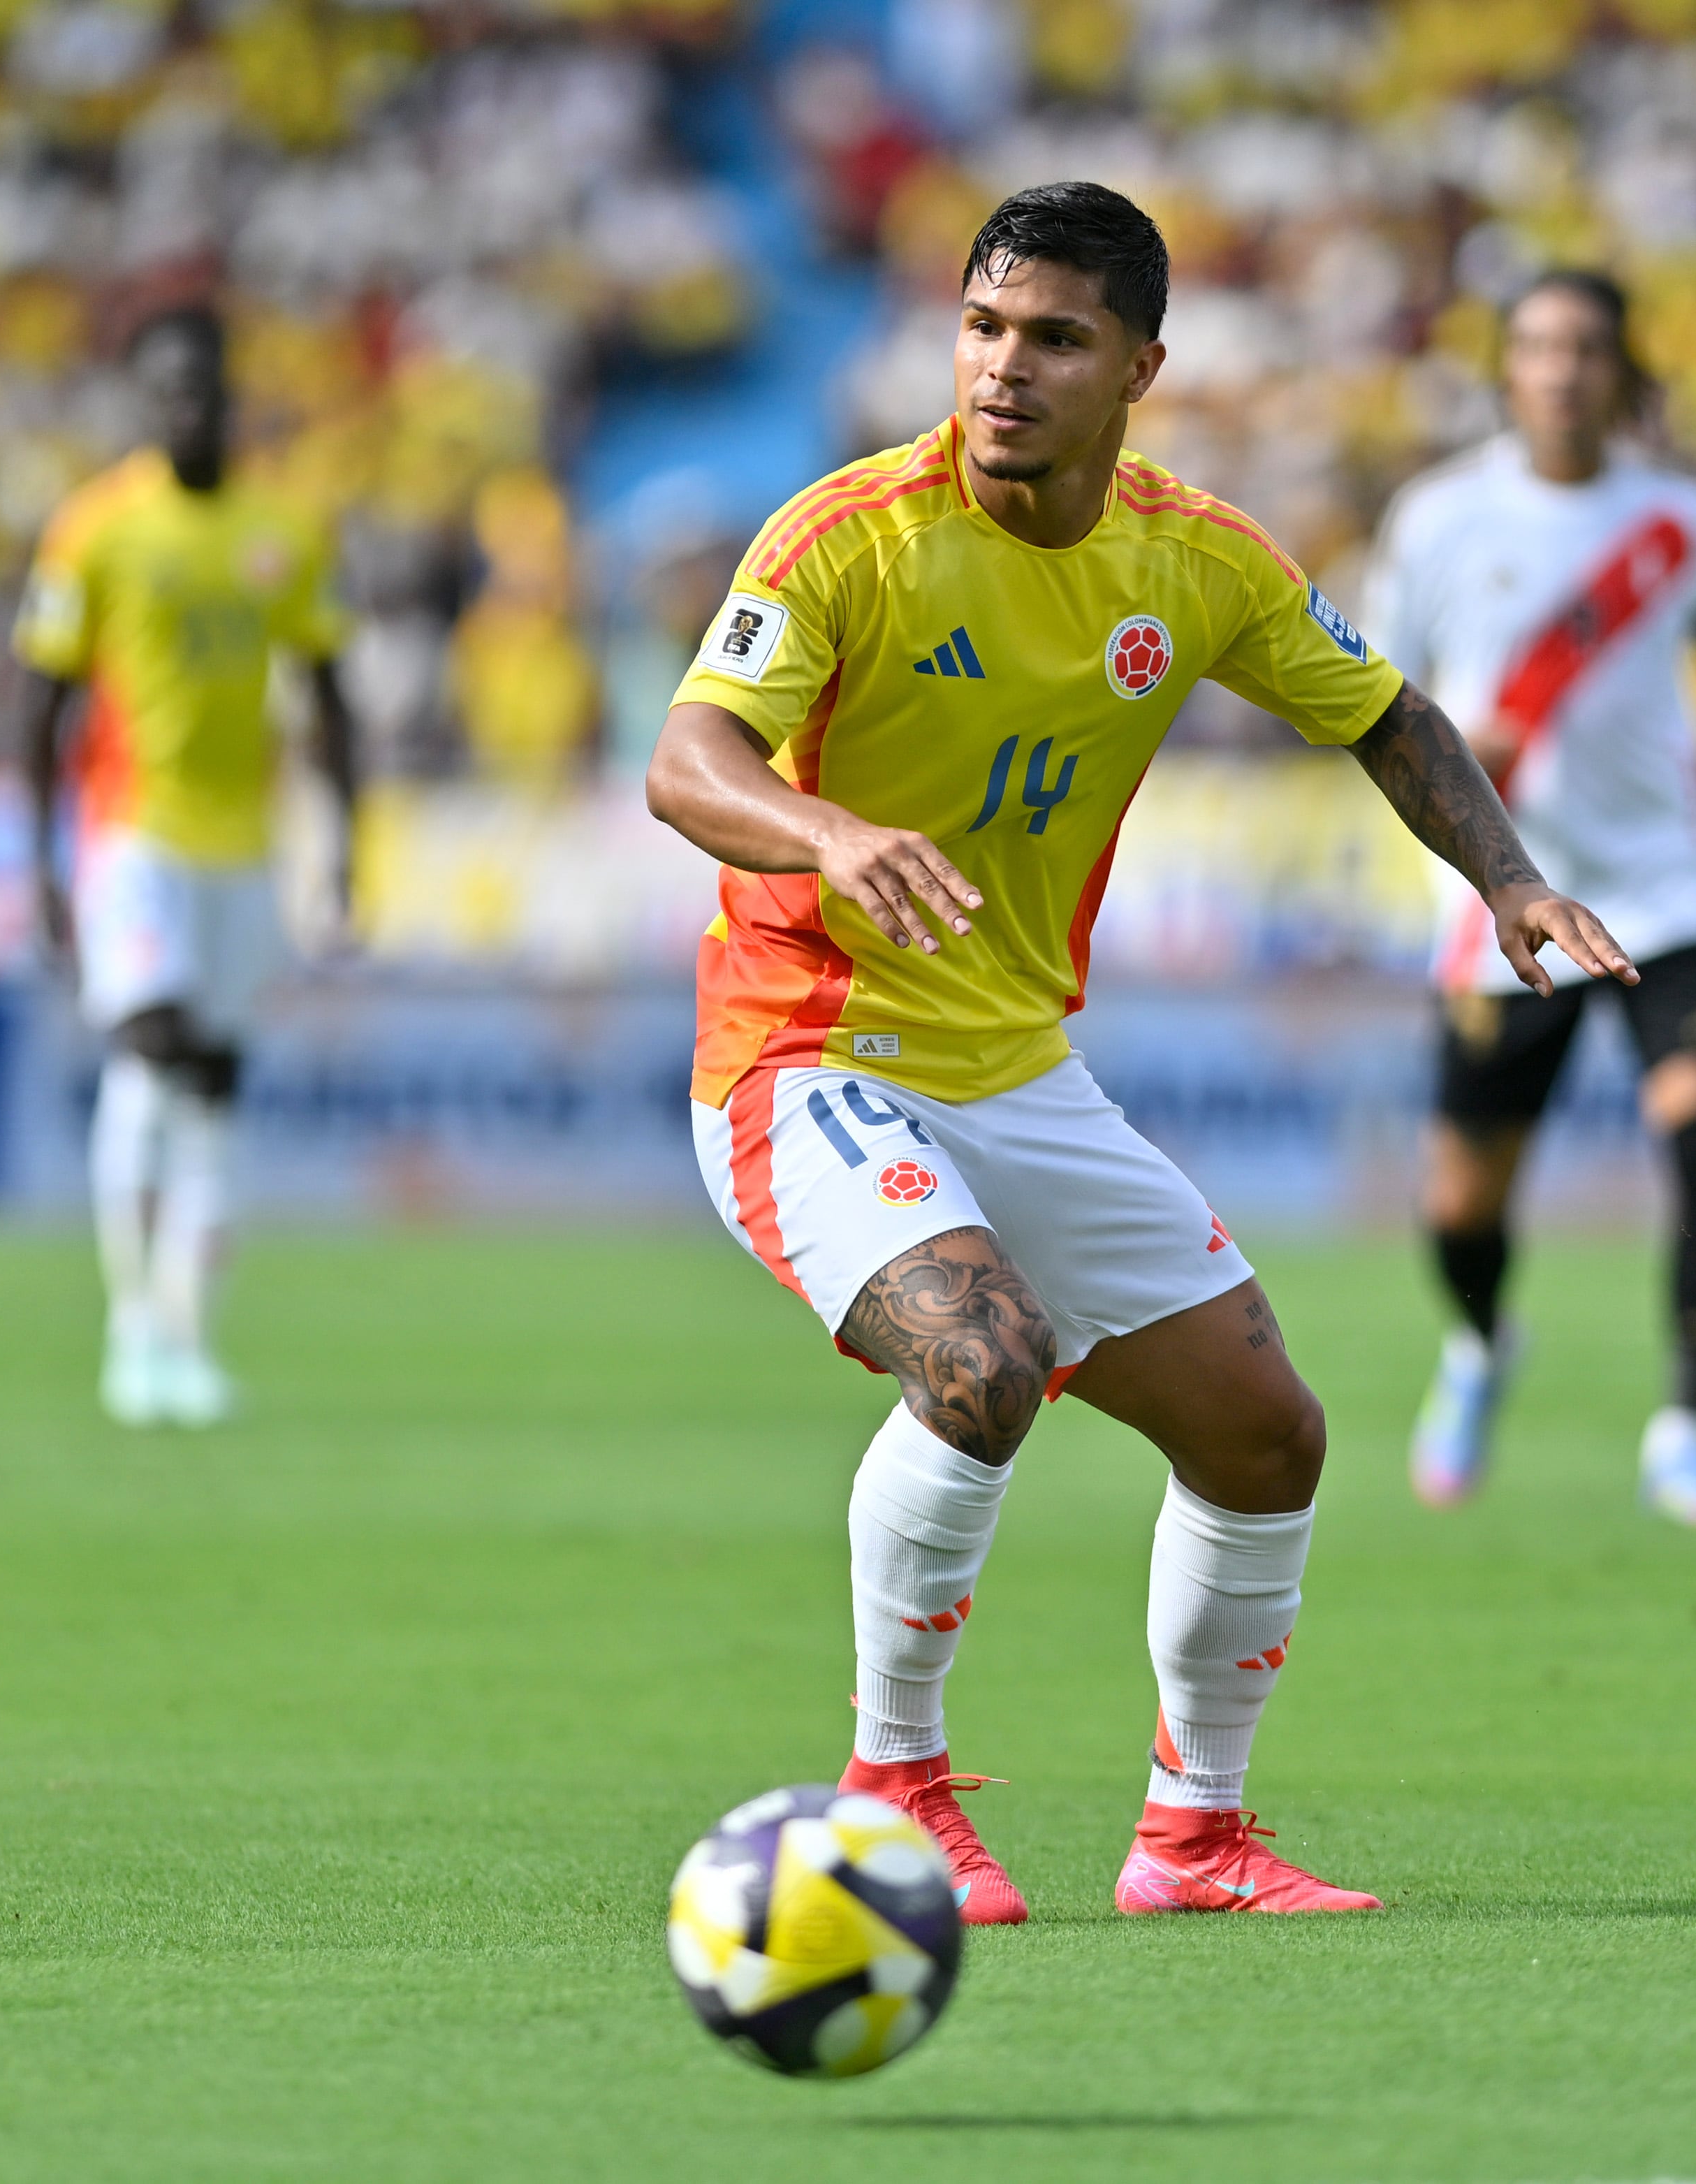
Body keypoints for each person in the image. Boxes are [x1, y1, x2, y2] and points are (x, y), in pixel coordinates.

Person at [644, 184, 1635, 1922]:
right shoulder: (842, 538)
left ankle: (1192, 1839)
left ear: (1138, 370)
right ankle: (894, 1795)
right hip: (808, 1053)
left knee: (1264, 1436)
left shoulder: (1193, 562)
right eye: (980, 328)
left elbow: (1385, 713)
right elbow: (688, 764)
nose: (1000, 369)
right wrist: (824, 831)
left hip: (1015, 1067)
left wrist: (1508, 880)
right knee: (980, 1358)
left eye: (1053, 339)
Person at [1364, 270, 1696, 1525]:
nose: (1561, 369)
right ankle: (1481, 1345)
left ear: (1622, 370)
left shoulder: (1679, 518)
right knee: (1462, 1202)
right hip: (1507, 886)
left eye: (1584, 347)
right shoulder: (1438, 518)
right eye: (1536, 345)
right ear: (1506, 369)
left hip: (1660, 881)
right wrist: (1456, 756)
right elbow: (1369, 690)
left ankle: (1684, 1427)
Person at [8, 303, 358, 1429]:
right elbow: (43, 699)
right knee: (150, 1045)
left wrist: (342, 848)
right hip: (133, 832)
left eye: (203, 390)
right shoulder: (95, 528)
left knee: (212, 1087)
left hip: (244, 848)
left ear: (229, 399)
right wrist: (43, 862)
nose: (188, 408)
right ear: (144, 402)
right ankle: (130, 1329)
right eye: (167, 391)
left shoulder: (284, 528)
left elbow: (331, 691)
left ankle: (185, 1338)